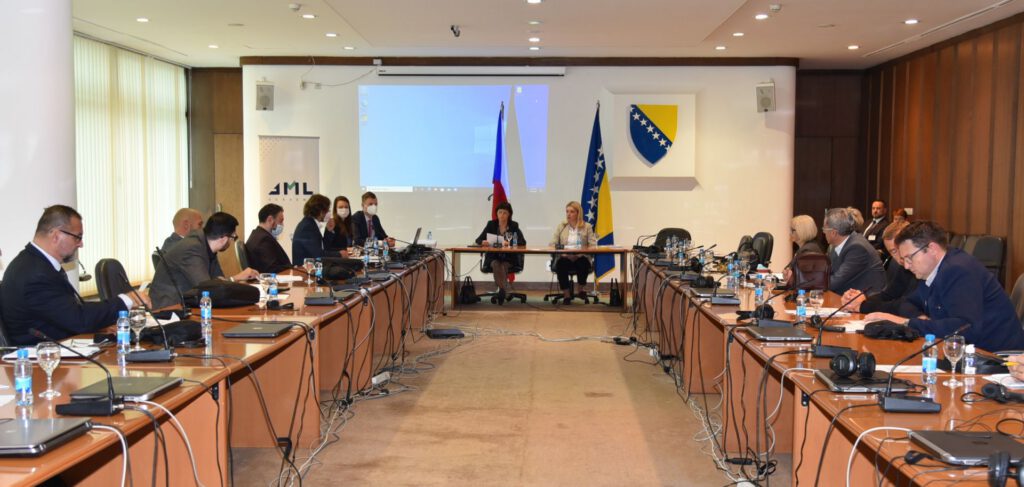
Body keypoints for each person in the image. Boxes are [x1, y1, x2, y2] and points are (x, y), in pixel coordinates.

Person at [865, 221, 1024, 353]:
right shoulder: (933, 270)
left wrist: (907, 323)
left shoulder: (958, 270)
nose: (906, 266)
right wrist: (917, 317)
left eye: (909, 258)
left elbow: (965, 328)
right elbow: (909, 302)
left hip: (996, 359)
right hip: (967, 352)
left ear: (932, 249)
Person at [0, 205, 150, 345]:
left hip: (59, 347)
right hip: (42, 358)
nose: (80, 244)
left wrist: (100, 326)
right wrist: (127, 300)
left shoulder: (34, 264)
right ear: (56, 235)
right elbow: (78, 320)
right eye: (77, 237)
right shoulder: (35, 274)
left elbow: (68, 312)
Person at [150, 212, 258, 309]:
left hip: (187, 303)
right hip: (168, 308)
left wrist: (230, 280)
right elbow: (208, 288)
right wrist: (236, 279)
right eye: (233, 237)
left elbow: (218, 281)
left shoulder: (208, 247)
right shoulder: (192, 248)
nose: (231, 241)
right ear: (224, 238)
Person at [842, 220, 917, 313]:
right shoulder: (901, 267)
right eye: (893, 251)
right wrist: (860, 299)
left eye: (901, 249)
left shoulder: (922, 269)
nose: (901, 255)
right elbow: (888, 295)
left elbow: (906, 305)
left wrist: (863, 305)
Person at [823, 207, 886, 294]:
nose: (824, 232)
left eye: (824, 229)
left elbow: (836, 281)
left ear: (834, 233)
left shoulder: (857, 247)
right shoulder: (837, 245)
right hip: (848, 292)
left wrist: (811, 284)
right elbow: (829, 272)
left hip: (867, 297)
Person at [474, 202, 526, 304]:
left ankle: (502, 291)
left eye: (505, 213)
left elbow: (522, 242)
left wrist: (510, 243)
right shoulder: (491, 225)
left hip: (509, 258)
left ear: (509, 214)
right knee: (496, 264)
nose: (502, 215)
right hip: (493, 258)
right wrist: (483, 242)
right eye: (500, 212)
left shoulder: (513, 226)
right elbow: (478, 239)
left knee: (503, 266)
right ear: (496, 213)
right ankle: (504, 292)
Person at [549, 201, 598, 305]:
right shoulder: (562, 226)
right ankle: (566, 294)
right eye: (567, 211)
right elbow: (552, 244)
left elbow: (593, 245)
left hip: (581, 257)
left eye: (571, 212)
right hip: (565, 257)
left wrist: (579, 254)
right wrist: (563, 254)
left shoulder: (587, 226)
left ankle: (580, 289)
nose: (568, 214)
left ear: (578, 213)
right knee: (561, 265)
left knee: (582, 263)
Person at [245, 204, 291, 274]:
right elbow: (272, 269)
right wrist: (292, 269)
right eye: (280, 221)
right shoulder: (263, 240)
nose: (282, 224)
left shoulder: (258, 234)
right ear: (270, 220)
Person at [291, 194, 333, 266]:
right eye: (328, 210)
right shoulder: (307, 227)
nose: (329, 213)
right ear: (321, 212)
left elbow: (323, 247)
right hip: (306, 269)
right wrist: (339, 254)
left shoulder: (311, 223)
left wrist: (329, 231)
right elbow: (318, 254)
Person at [781, 215, 823, 286]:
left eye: (792, 230)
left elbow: (802, 279)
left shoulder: (808, 250)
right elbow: (788, 268)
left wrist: (789, 274)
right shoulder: (805, 247)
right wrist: (786, 272)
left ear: (801, 231)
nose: (790, 233)